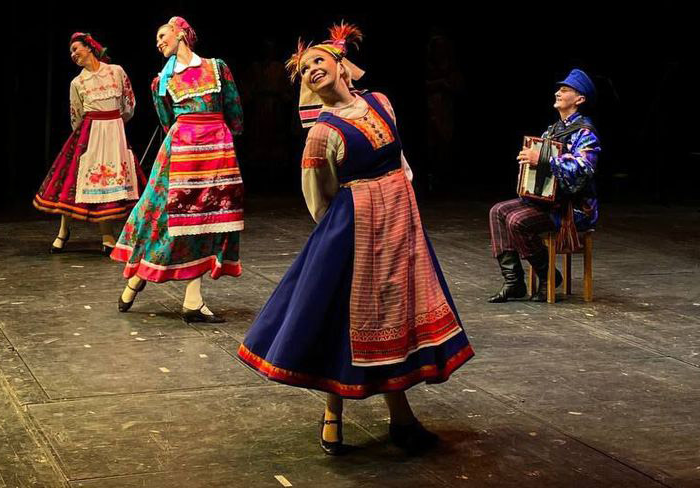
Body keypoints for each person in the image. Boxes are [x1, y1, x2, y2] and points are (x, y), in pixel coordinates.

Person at [237, 23, 474, 455]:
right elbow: (318, 198)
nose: (311, 69)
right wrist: (344, 231)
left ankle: (401, 418)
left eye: (318, 61)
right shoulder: (322, 132)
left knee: (393, 318)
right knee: (343, 321)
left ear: (342, 67)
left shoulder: (381, 102)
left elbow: (399, 158)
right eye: (304, 69)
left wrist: (399, 201)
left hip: (399, 222)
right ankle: (334, 413)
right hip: (353, 232)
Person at [111, 17, 244, 323]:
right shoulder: (162, 81)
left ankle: (192, 299)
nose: (158, 42)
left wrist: (226, 139)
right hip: (181, 150)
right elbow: (167, 120)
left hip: (216, 149)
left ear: (180, 32)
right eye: (156, 39)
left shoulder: (216, 67)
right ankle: (138, 278)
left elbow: (233, 107)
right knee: (166, 216)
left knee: (208, 220)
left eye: (162, 35)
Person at [488, 68, 601, 303]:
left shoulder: (586, 133)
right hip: (550, 204)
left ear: (579, 99)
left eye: (565, 90)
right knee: (498, 211)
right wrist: (527, 169)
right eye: (559, 89)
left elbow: (583, 170)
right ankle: (513, 282)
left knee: (517, 221)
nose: (558, 93)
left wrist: (543, 159)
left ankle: (548, 277)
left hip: (573, 210)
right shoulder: (552, 131)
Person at [33, 32, 144, 255]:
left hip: (114, 131)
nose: (73, 55)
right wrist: (87, 135)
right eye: (70, 52)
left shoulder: (116, 71)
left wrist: (115, 125)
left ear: (89, 47)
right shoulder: (77, 82)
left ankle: (107, 235)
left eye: (76, 49)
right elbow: (76, 115)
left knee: (108, 184)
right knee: (74, 182)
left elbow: (129, 103)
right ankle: (63, 231)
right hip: (89, 134)